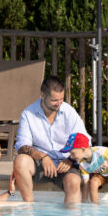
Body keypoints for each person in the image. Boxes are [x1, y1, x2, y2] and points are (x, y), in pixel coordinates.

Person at [10, 75, 90, 205]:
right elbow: (22, 146)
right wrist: (42, 157)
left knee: (74, 182)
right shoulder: (28, 113)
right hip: (40, 163)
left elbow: (85, 141)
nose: (59, 103)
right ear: (42, 95)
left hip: (66, 163)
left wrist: (71, 159)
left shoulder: (69, 112)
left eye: (61, 99)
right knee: (20, 161)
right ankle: (28, 210)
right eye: (54, 100)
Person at [60, 132, 108, 204]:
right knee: (93, 183)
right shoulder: (82, 164)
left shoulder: (102, 152)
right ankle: (95, 208)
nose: (71, 157)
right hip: (100, 174)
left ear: (83, 149)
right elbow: (86, 183)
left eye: (73, 153)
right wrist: (83, 202)